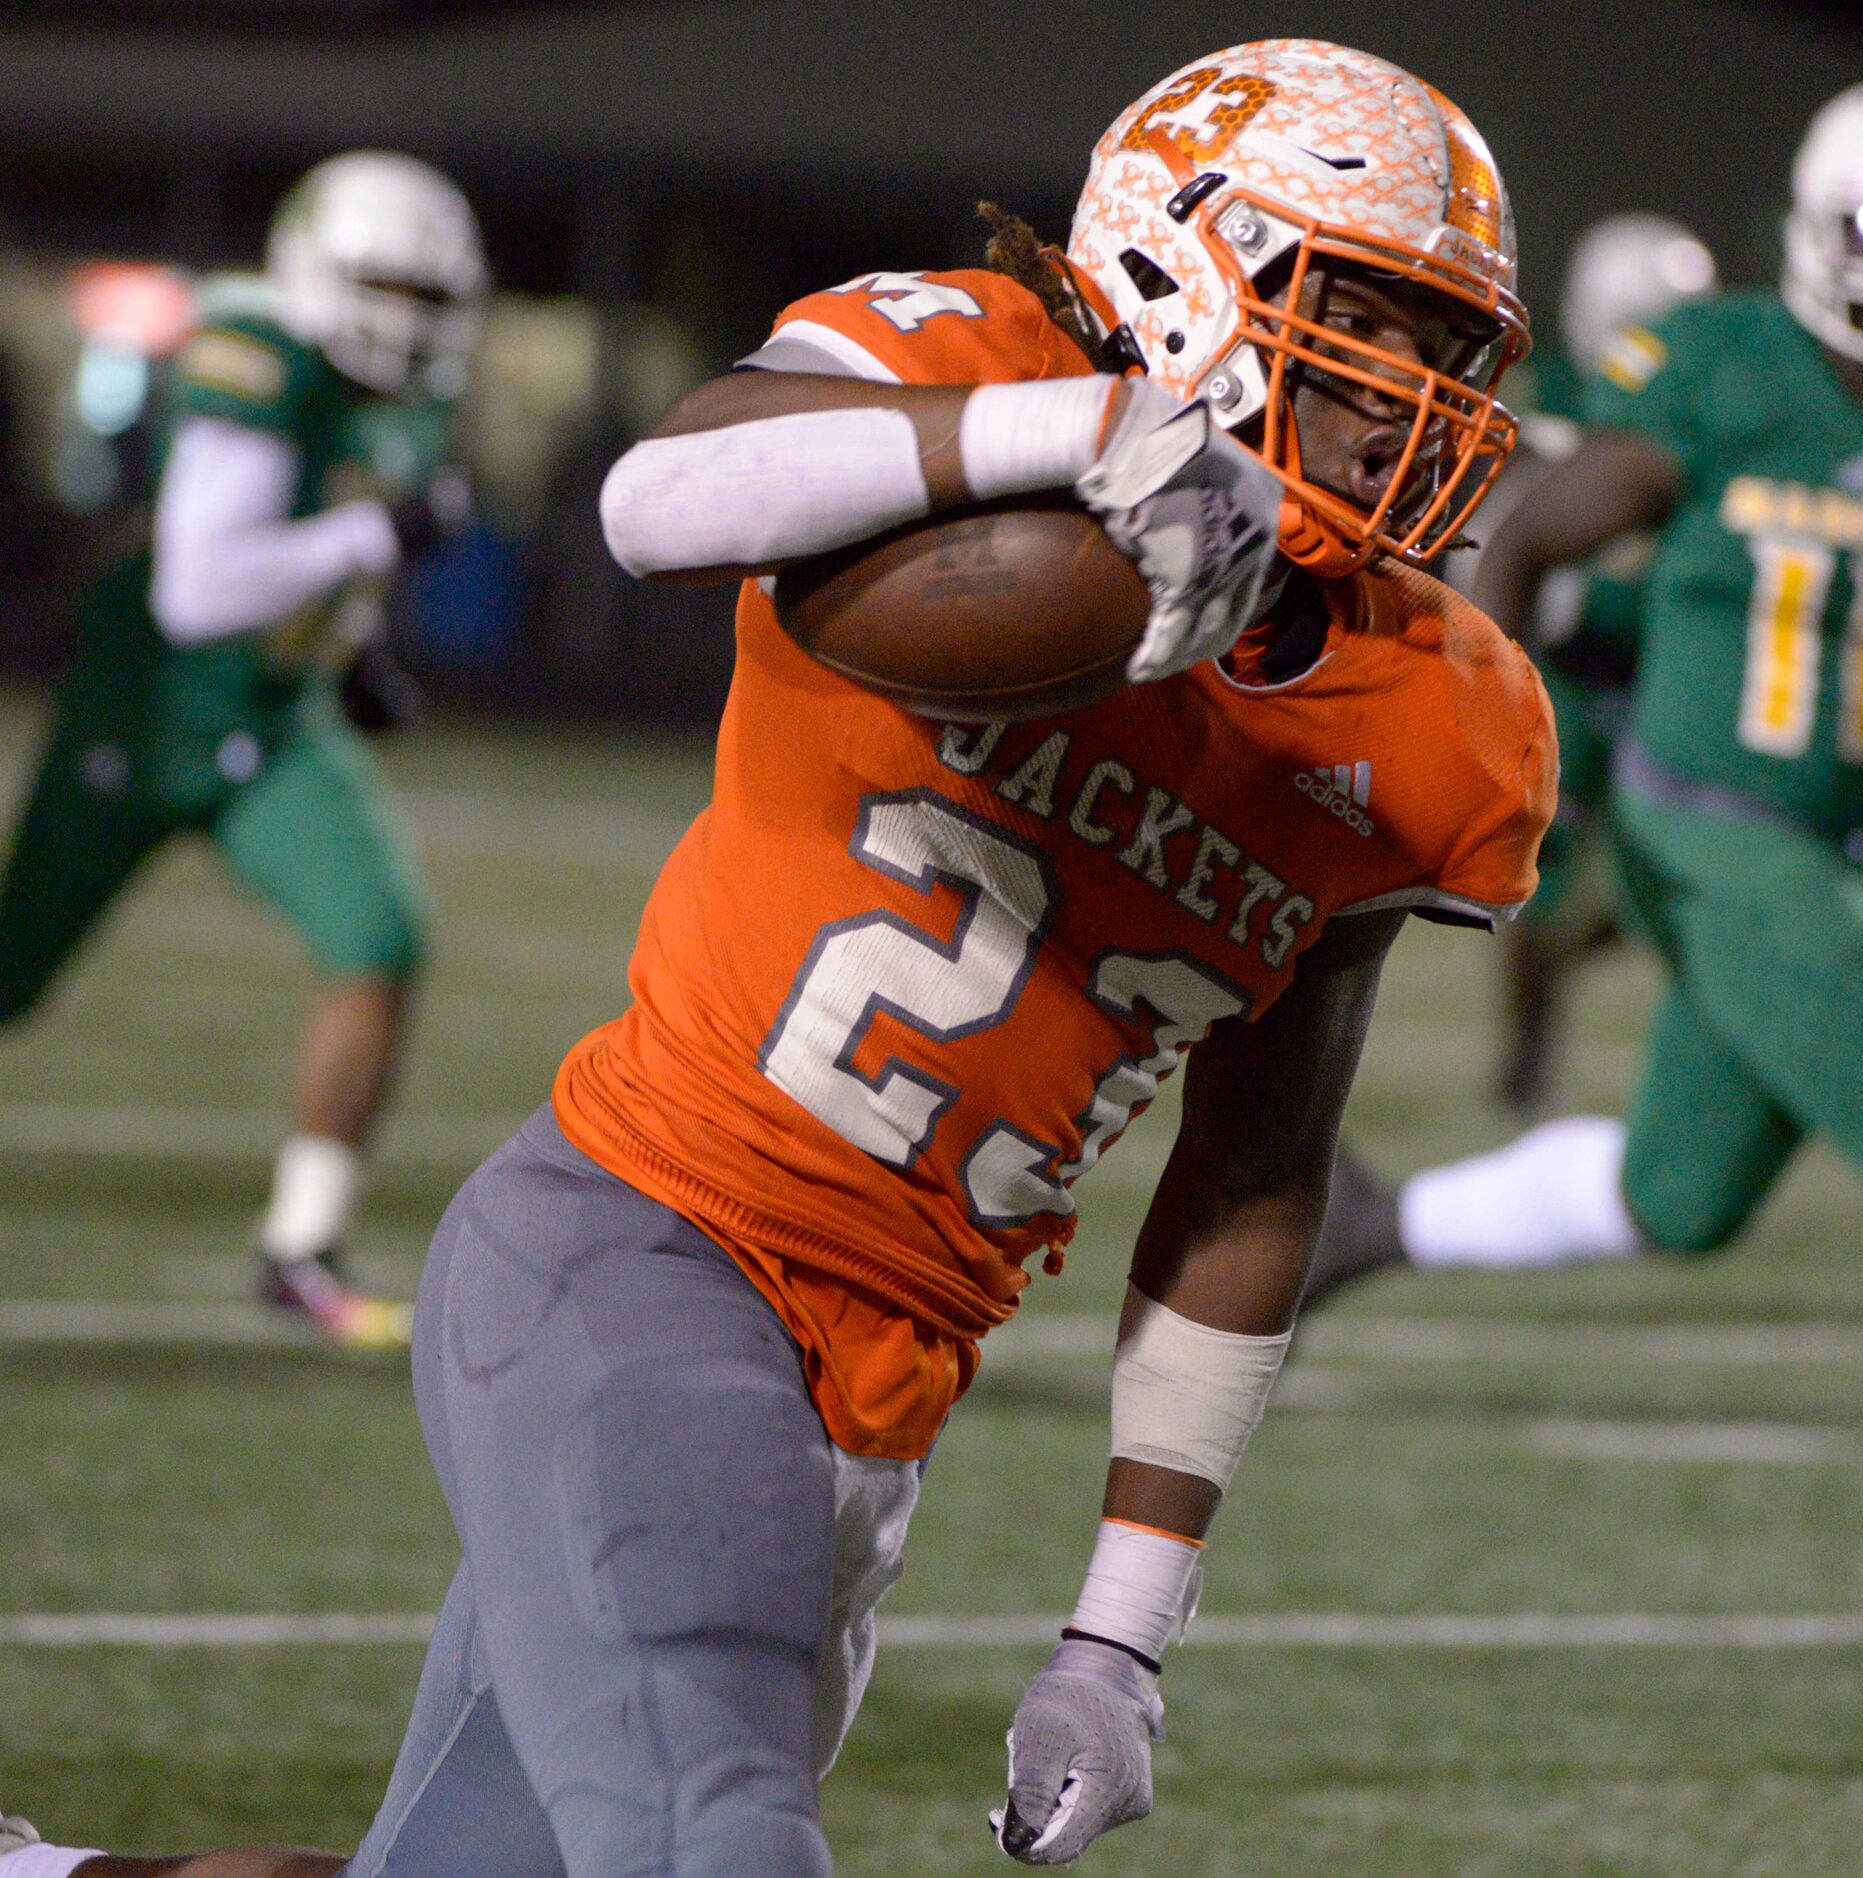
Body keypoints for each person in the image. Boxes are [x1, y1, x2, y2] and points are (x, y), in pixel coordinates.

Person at [0, 41, 1553, 1877]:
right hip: (643, 1256)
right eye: (1371, 322)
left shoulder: (1444, 725)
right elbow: (657, 502)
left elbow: (1253, 1176)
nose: (1416, 407)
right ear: (1185, 262)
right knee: (718, 1844)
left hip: (873, 1411)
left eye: (1448, 358)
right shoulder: (979, 363)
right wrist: (1074, 440)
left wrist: (1120, 1636)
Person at [1301, 75, 1863, 1701]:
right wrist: (1488, 727)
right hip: (1707, 821)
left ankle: (1368, 1223)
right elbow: (1529, 533)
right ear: (1822, 234)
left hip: (1857, 863)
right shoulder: (1729, 372)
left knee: (1682, 1194)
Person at [0, 152, 485, 1346]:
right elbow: (201, 587)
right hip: (149, 715)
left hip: (271, 721)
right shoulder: (253, 352)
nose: (404, 322)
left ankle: (301, 1248)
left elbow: (318, 559)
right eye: (387, 289)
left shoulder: (411, 406)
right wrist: (378, 532)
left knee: (378, 935)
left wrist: (352, 650)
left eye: (429, 300)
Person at [1448, 213, 1717, 1110]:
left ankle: (1567, 965)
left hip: (1663, 679)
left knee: (1676, 882)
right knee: (1537, 881)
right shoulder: (1542, 397)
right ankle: (1527, 1055)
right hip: (1563, 669)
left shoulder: (1710, 416)